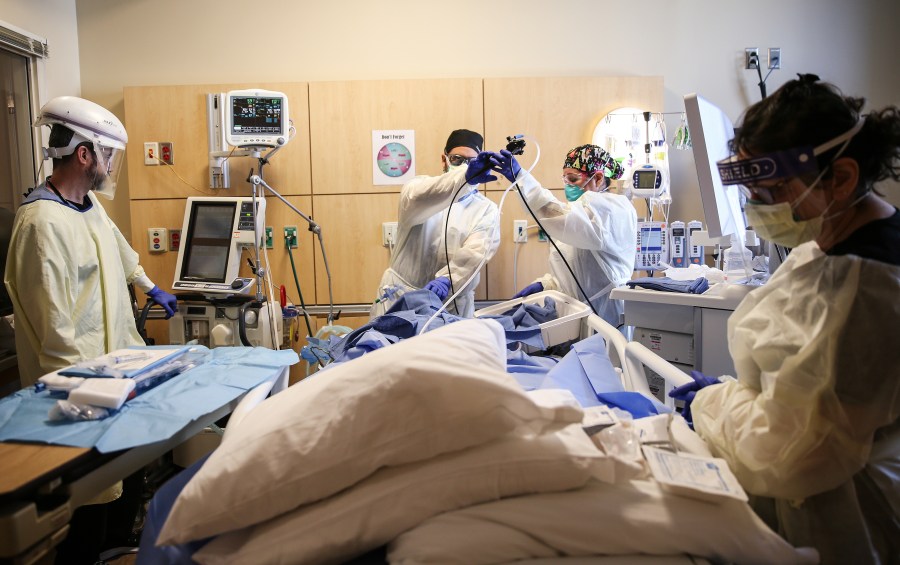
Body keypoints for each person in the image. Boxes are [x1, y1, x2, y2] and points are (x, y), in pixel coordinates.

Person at [670, 74, 900, 564]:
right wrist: (736, 395)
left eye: (771, 189)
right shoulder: (826, 248)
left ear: (841, 178)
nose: (758, 207)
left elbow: (792, 454)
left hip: (844, 520)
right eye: (751, 189)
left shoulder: (867, 288)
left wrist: (713, 403)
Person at [5, 95, 177, 387]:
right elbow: (54, 328)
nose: (110, 167)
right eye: (108, 155)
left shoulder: (89, 203)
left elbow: (116, 245)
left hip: (116, 366)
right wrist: (80, 389)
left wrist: (149, 286)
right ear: (84, 155)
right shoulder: (42, 223)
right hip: (76, 381)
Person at [495, 144, 637, 328]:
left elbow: (553, 213)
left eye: (573, 179)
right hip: (575, 316)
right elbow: (573, 270)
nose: (568, 186)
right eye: (565, 179)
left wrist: (522, 178)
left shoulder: (612, 209)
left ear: (599, 178)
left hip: (607, 315)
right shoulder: (579, 214)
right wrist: (545, 284)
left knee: (607, 354)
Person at [370, 129, 501, 318]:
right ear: (444, 159)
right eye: (457, 159)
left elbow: (476, 252)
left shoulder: (486, 209)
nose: (465, 167)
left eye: (472, 162)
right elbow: (421, 195)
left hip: (449, 305)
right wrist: (464, 178)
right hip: (401, 301)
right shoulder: (418, 189)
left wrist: (448, 279)